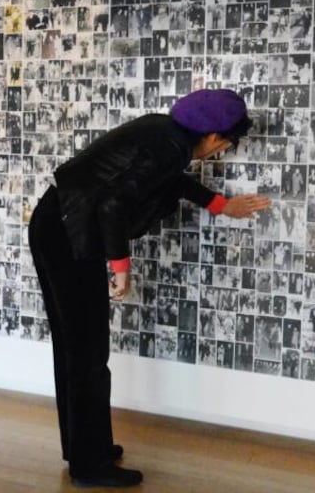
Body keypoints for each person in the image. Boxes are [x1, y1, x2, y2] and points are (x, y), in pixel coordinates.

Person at [27, 88, 271, 487]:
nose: (221, 151)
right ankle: (89, 464)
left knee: (76, 350)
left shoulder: (163, 133)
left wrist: (220, 205)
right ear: (213, 136)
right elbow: (112, 205)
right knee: (87, 354)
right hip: (69, 236)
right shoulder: (170, 146)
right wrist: (121, 268)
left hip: (58, 224)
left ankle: (85, 448)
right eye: (225, 144)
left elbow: (168, 181)